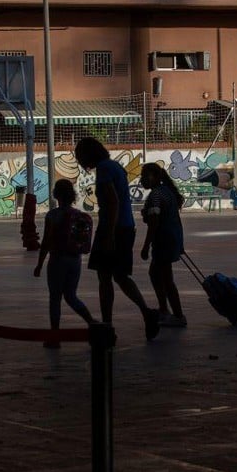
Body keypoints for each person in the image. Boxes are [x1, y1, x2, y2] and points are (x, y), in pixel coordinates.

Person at [74, 138, 160, 340]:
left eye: (80, 155)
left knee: (104, 279)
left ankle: (107, 324)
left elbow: (112, 202)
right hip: (126, 226)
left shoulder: (104, 170)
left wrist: (109, 235)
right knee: (120, 276)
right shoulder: (115, 167)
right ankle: (147, 313)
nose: (78, 159)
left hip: (113, 229)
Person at [34, 179, 95, 349]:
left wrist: (39, 264)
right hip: (75, 260)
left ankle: (55, 336)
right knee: (71, 296)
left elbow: (46, 242)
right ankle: (92, 322)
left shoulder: (53, 215)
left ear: (56, 195)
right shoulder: (78, 215)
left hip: (58, 260)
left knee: (55, 298)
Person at [139, 162, 187, 328]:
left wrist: (145, 246)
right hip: (171, 239)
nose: (142, 179)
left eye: (145, 176)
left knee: (166, 279)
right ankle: (164, 309)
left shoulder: (156, 196)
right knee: (156, 274)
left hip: (163, 241)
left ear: (156, 177)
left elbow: (153, 223)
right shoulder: (167, 192)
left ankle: (177, 315)